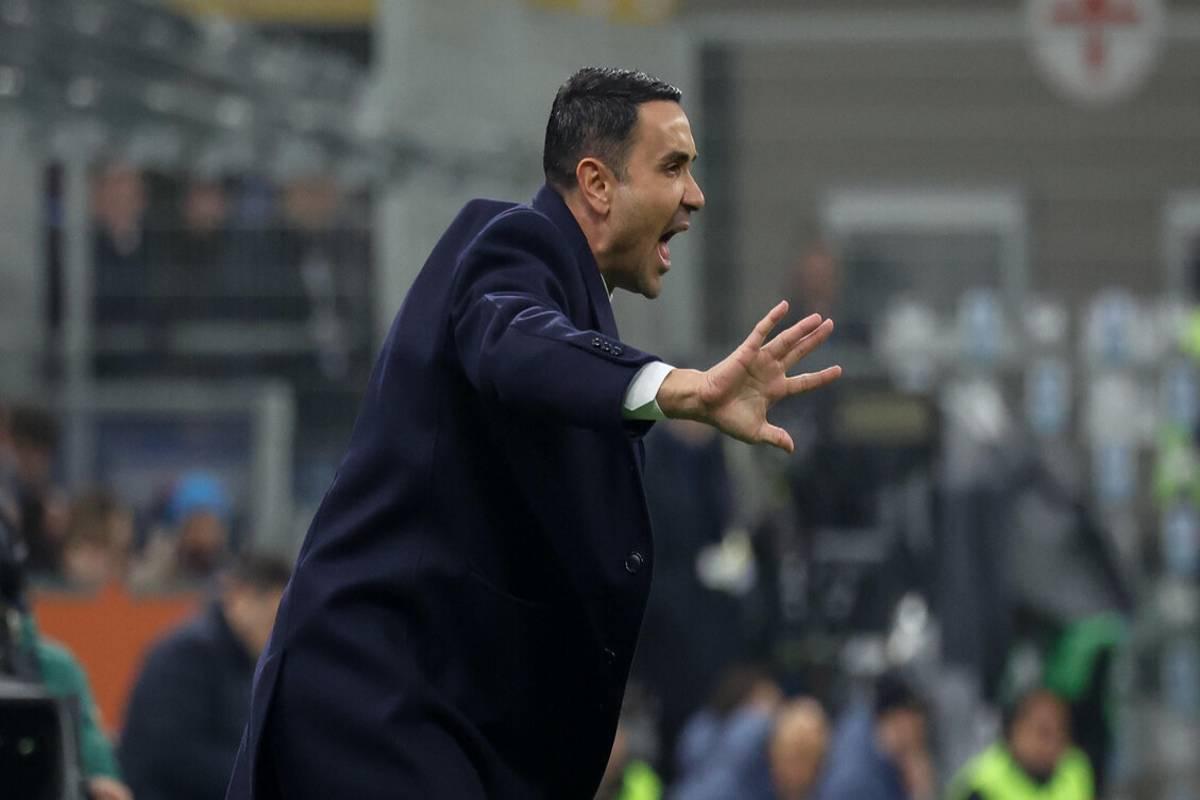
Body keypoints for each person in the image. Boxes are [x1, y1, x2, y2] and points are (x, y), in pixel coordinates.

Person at [225, 66, 840, 800]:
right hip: (377, 707)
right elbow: (513, 341)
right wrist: (681, 388)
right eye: (673, 167)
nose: (695, 196)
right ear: (598, 184)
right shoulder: (512, 243)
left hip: (432, 722)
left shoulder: (575, 307)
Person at [121, 553, 291, 800]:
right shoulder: (189, 654)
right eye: (272, 619)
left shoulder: (243, 658)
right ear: (242, 596)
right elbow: (174, 755)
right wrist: (260, 776)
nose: (275, 634)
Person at [948, 689, 1093, 800]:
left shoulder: (1075, 768)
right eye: (1043, 733)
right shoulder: (982, 786)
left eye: (1061, 732)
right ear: (1015, 729)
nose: (1053, 744)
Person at [815, 672, 933, 800]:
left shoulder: (860, 719)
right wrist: (919, 792)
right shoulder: (859, 783)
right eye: (917, 725)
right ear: (902, 721)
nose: (921, 733)